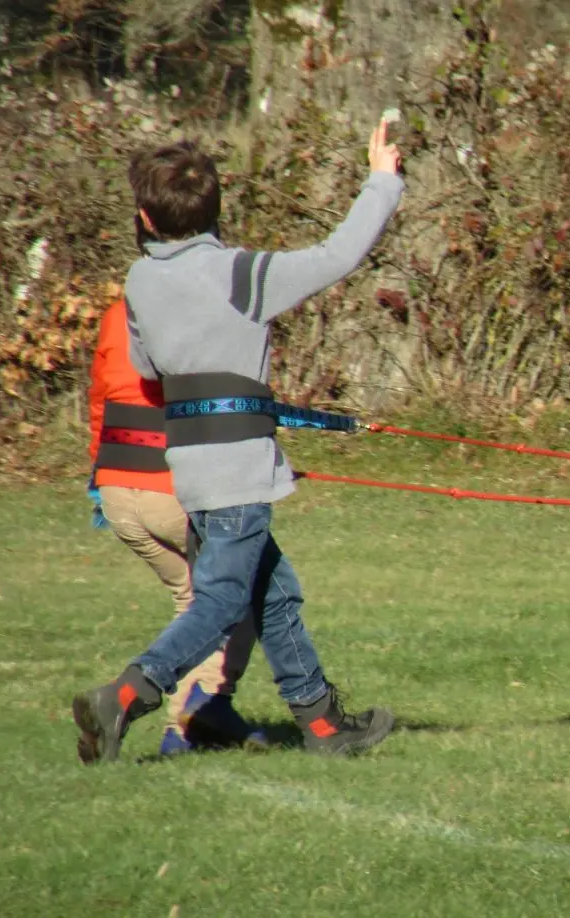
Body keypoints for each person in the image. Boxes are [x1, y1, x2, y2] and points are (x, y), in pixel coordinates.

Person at [72, 118, 404, 763]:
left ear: (144, 216)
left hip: (190, 467)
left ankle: (324, 726)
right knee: (222, 601)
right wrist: (382, 182)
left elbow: (145, 371)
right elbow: (339, 255)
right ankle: (125, 694)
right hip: (237, 471)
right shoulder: (240, 274)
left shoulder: (141, 282)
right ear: (217, 209)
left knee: (274, 593)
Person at [87, 297, 264, 756]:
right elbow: (222, 405)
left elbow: (99, 401)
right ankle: (191, 713)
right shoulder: (198, 311)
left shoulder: (116, 313)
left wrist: (100, 475)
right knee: (232, 591)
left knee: (197, 598)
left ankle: (198, 718)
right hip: (172, 489)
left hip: (118, 490)